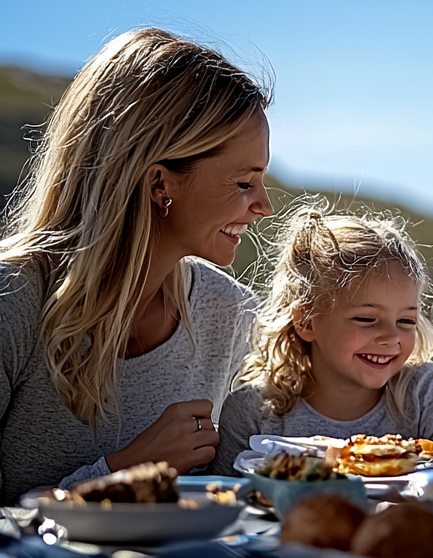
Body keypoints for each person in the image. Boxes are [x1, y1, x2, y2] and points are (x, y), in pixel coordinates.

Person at [0, 28, 274, 504]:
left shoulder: (227, 312)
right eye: (245, 183)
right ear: (159, 184)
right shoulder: (14, 300)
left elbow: (227, 498)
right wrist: (123, 472)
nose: (264, 206)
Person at [214, 203, 433, 474]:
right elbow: (221, 499)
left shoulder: (421, 394)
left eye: (406, 321)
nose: (391, 337)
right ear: (306, 320)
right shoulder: (252, 412)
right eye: (367, 319)